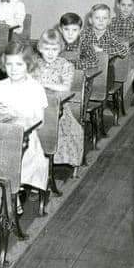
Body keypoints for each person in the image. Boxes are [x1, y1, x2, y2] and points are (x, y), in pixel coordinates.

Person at [0, 41, 49, 214]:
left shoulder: (35, 88)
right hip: (0, 135)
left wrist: (15, 112)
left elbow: (39, 121)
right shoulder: (0, 86)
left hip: (25, 139)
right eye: (9, 64)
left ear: (28, 64)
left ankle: (11, 197)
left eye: (19, 64)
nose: (14, 69)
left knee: (11, 158)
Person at [33, 30, 85, 168]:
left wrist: (44, 84)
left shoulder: (65, 65)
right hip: (35, 106)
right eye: (47, 49)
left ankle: (51, 158)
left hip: (57, 109)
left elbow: (65, 87)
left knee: (69, 131)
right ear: (40, 48)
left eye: (54, 49)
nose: (50, 53)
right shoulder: (35, 64)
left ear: (60, 48)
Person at [109, 0, 134, 90]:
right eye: (123, 5)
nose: (126, 8)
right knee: (105, 63)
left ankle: (120, 92)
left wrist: (129, 51)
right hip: (113, 54)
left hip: (131, 55)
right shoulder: (111, 23)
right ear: (118, 5)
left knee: (123, 64)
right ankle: (108, 89)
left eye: (129, 5)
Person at [77, 3, 129, 70]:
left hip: (106, 67)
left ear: (109, 21)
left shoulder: (110, 35)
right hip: (87, 66)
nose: (101, 21)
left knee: (109, 70)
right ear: (90, 20)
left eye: (104, 18)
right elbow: (77, 48)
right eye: (97, 18)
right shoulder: (84, 33)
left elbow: (124, 50)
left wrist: (103, 50)